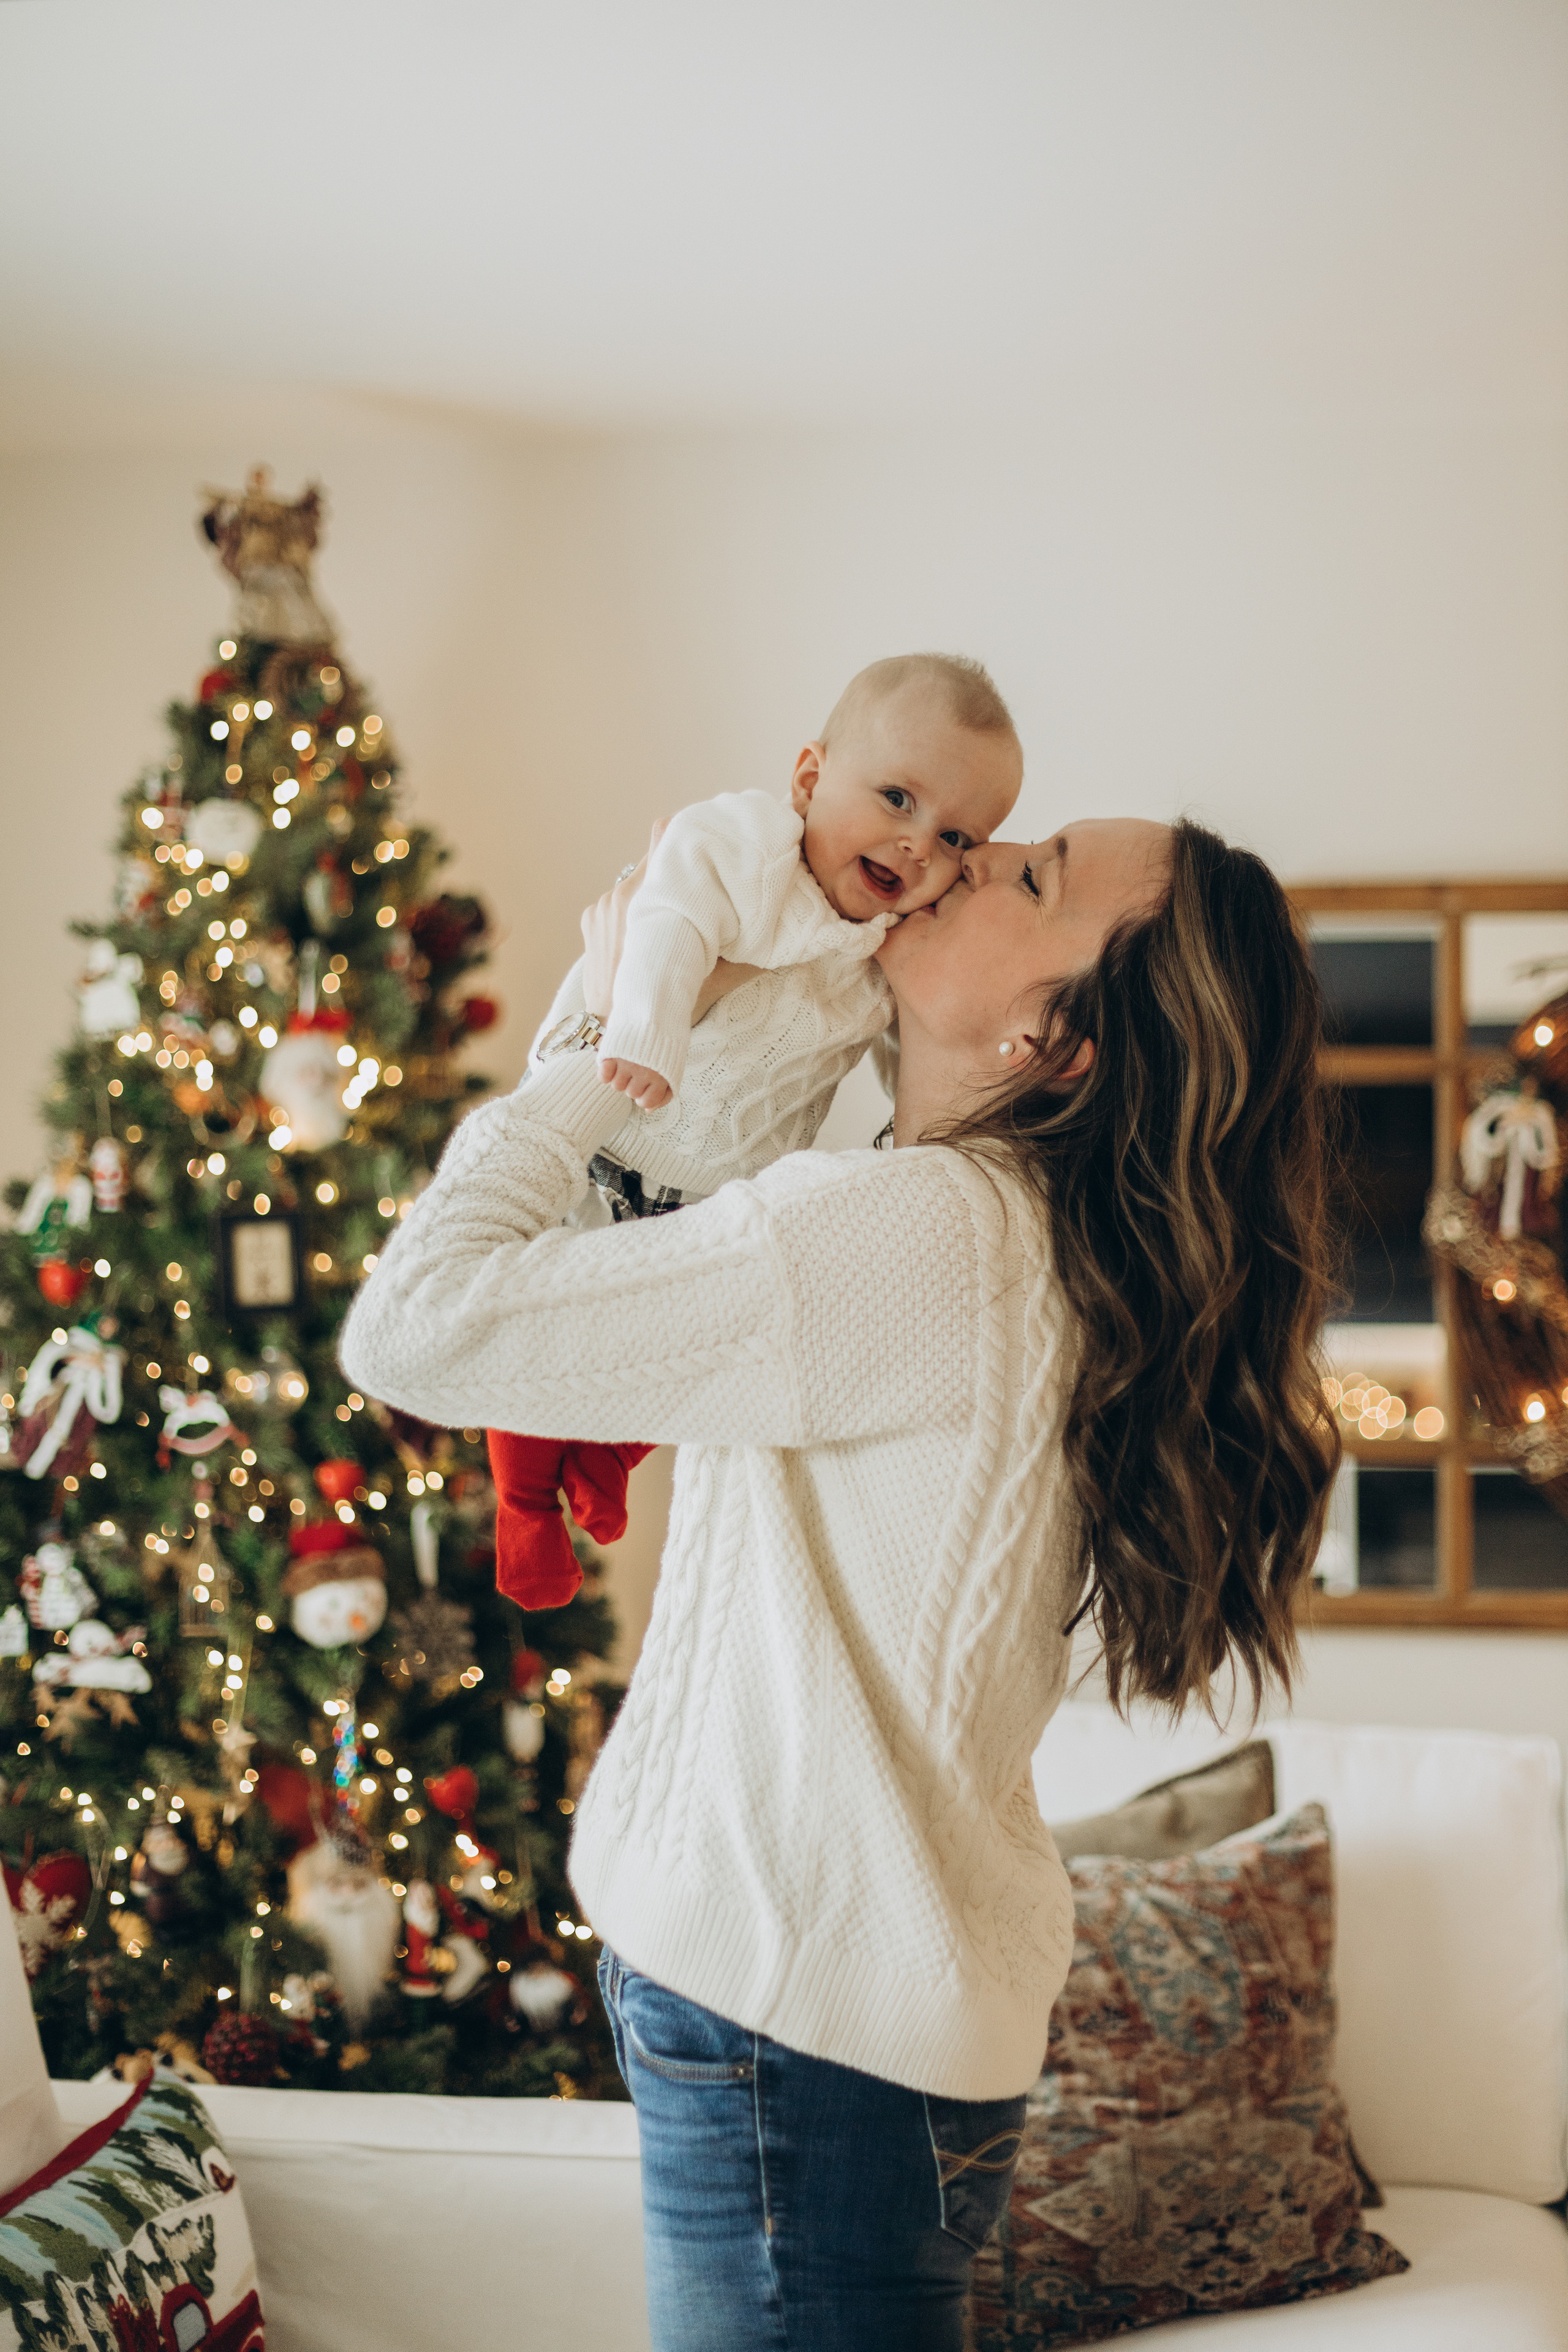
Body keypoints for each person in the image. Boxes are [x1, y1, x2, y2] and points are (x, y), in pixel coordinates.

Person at [339, 813, 1340, 2352]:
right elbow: (681, 1176)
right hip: (849, 2019)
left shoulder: (917, 1235)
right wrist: (686, 988)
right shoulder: (986, 1230)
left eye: (1028, 876)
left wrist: (595, 1049)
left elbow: (418, 1326)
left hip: (795, 2022)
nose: (970, 852)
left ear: (1049, 1038)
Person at [488, 652, 1022, 1607]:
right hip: (617, 1120)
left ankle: (609, 1452)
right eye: (896, 797)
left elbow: (910, 1058)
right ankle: (524, 1503)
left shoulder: (885, 943)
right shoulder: (743, 844)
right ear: (811, 778)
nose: (914, 847)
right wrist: (647, 1029)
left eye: (953, 836)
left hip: (713, 1185)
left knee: (688, 1334)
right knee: (545, 1302)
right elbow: (669, 921)